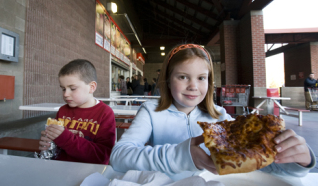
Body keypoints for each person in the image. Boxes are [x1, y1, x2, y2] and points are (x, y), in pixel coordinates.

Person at [110, 44, 316, 180]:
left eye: (201, 78)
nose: (193, 86)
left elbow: (257, 162)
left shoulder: (220, 117)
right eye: (182, 77)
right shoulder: (151, 112)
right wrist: (179, 155)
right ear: (167, 79)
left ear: (209, 82)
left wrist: (300, 161)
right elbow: (118, 156)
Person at [39, 59, 116, 164]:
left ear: (91, 87)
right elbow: (56, 147)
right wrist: (48, 143)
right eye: (63, 89)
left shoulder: (105, 113)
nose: (66, 94)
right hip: (60, 167)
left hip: (90, 173)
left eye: (73, 88)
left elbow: (103, 155)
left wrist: (65, 138)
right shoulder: (63, 110)